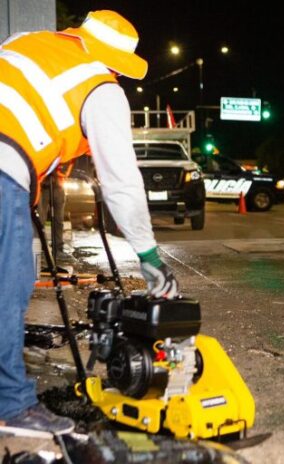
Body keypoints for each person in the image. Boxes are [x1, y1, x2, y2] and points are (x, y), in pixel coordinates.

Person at [0, 10, 179, 435]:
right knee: (10, 283)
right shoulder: (100, 86)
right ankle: (11, 406)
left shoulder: (30, 43)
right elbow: (122, 183)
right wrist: (151, 259)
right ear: (116, 61)